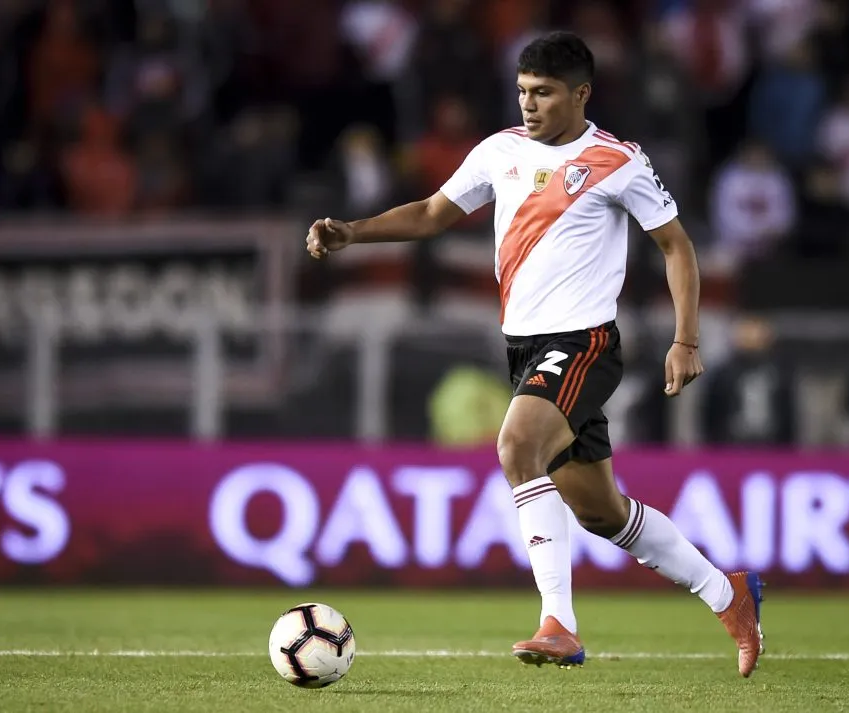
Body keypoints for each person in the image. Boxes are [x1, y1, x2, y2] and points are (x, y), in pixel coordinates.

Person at [305, 31, 764, 677]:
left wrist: (685, 339)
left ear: (581, 94)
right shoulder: (499, 150)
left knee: (516, 446)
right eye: (523, 91)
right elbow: (435, 212)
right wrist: (354, 231)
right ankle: (729, 593)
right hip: (524, 348)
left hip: (583, 344)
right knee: (602, 511)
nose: (529, 104)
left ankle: (560, 625)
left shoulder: (617, 160)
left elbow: (677, 246)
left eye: (544, 92)